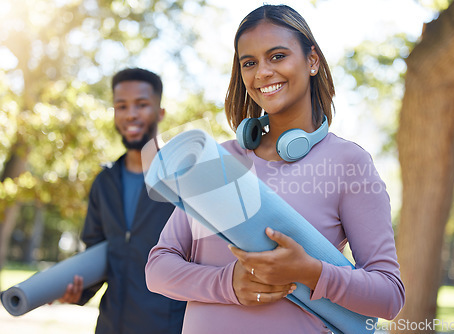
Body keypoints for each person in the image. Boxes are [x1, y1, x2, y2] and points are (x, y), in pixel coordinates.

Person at [145, 5, 405, 334]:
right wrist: (228, 284)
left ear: (312, 61)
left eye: (278, 56)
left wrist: (309, 271)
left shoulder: (348, 163)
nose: (262, 73)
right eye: (249, 63)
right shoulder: (215, 162)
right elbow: (158, 268)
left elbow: (389, 297)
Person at [56, 68, 186, 334]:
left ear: (160, 112)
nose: (130, 114)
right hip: (109, 326)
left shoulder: (184, 177)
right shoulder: (104, 183)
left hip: (168, 327)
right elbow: (98, 253)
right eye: (121, 106)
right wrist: (78, 293)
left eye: (141, 105)